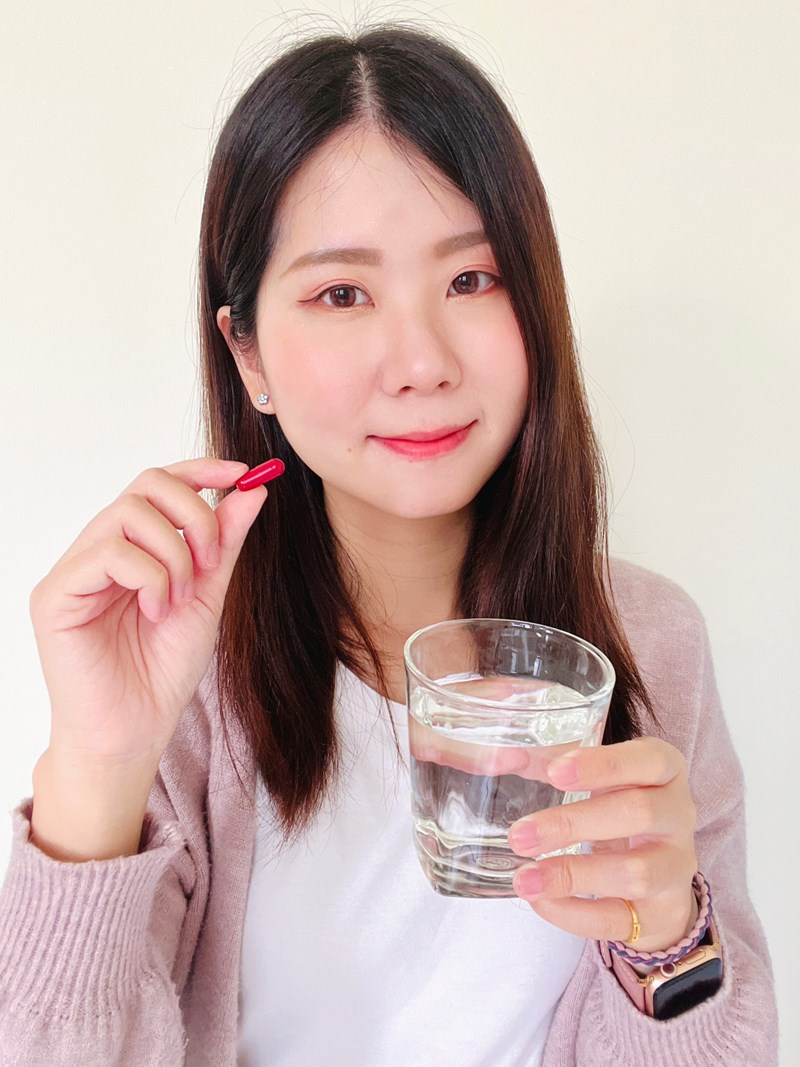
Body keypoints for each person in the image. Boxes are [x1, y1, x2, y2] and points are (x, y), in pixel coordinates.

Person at [0, 22, 778, 1067]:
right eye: (341, 293)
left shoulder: (647, 645)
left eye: (472, 280)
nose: (420, 360)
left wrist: (667, 939)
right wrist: (97, 762)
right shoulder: (180, 663)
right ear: (247, 353)